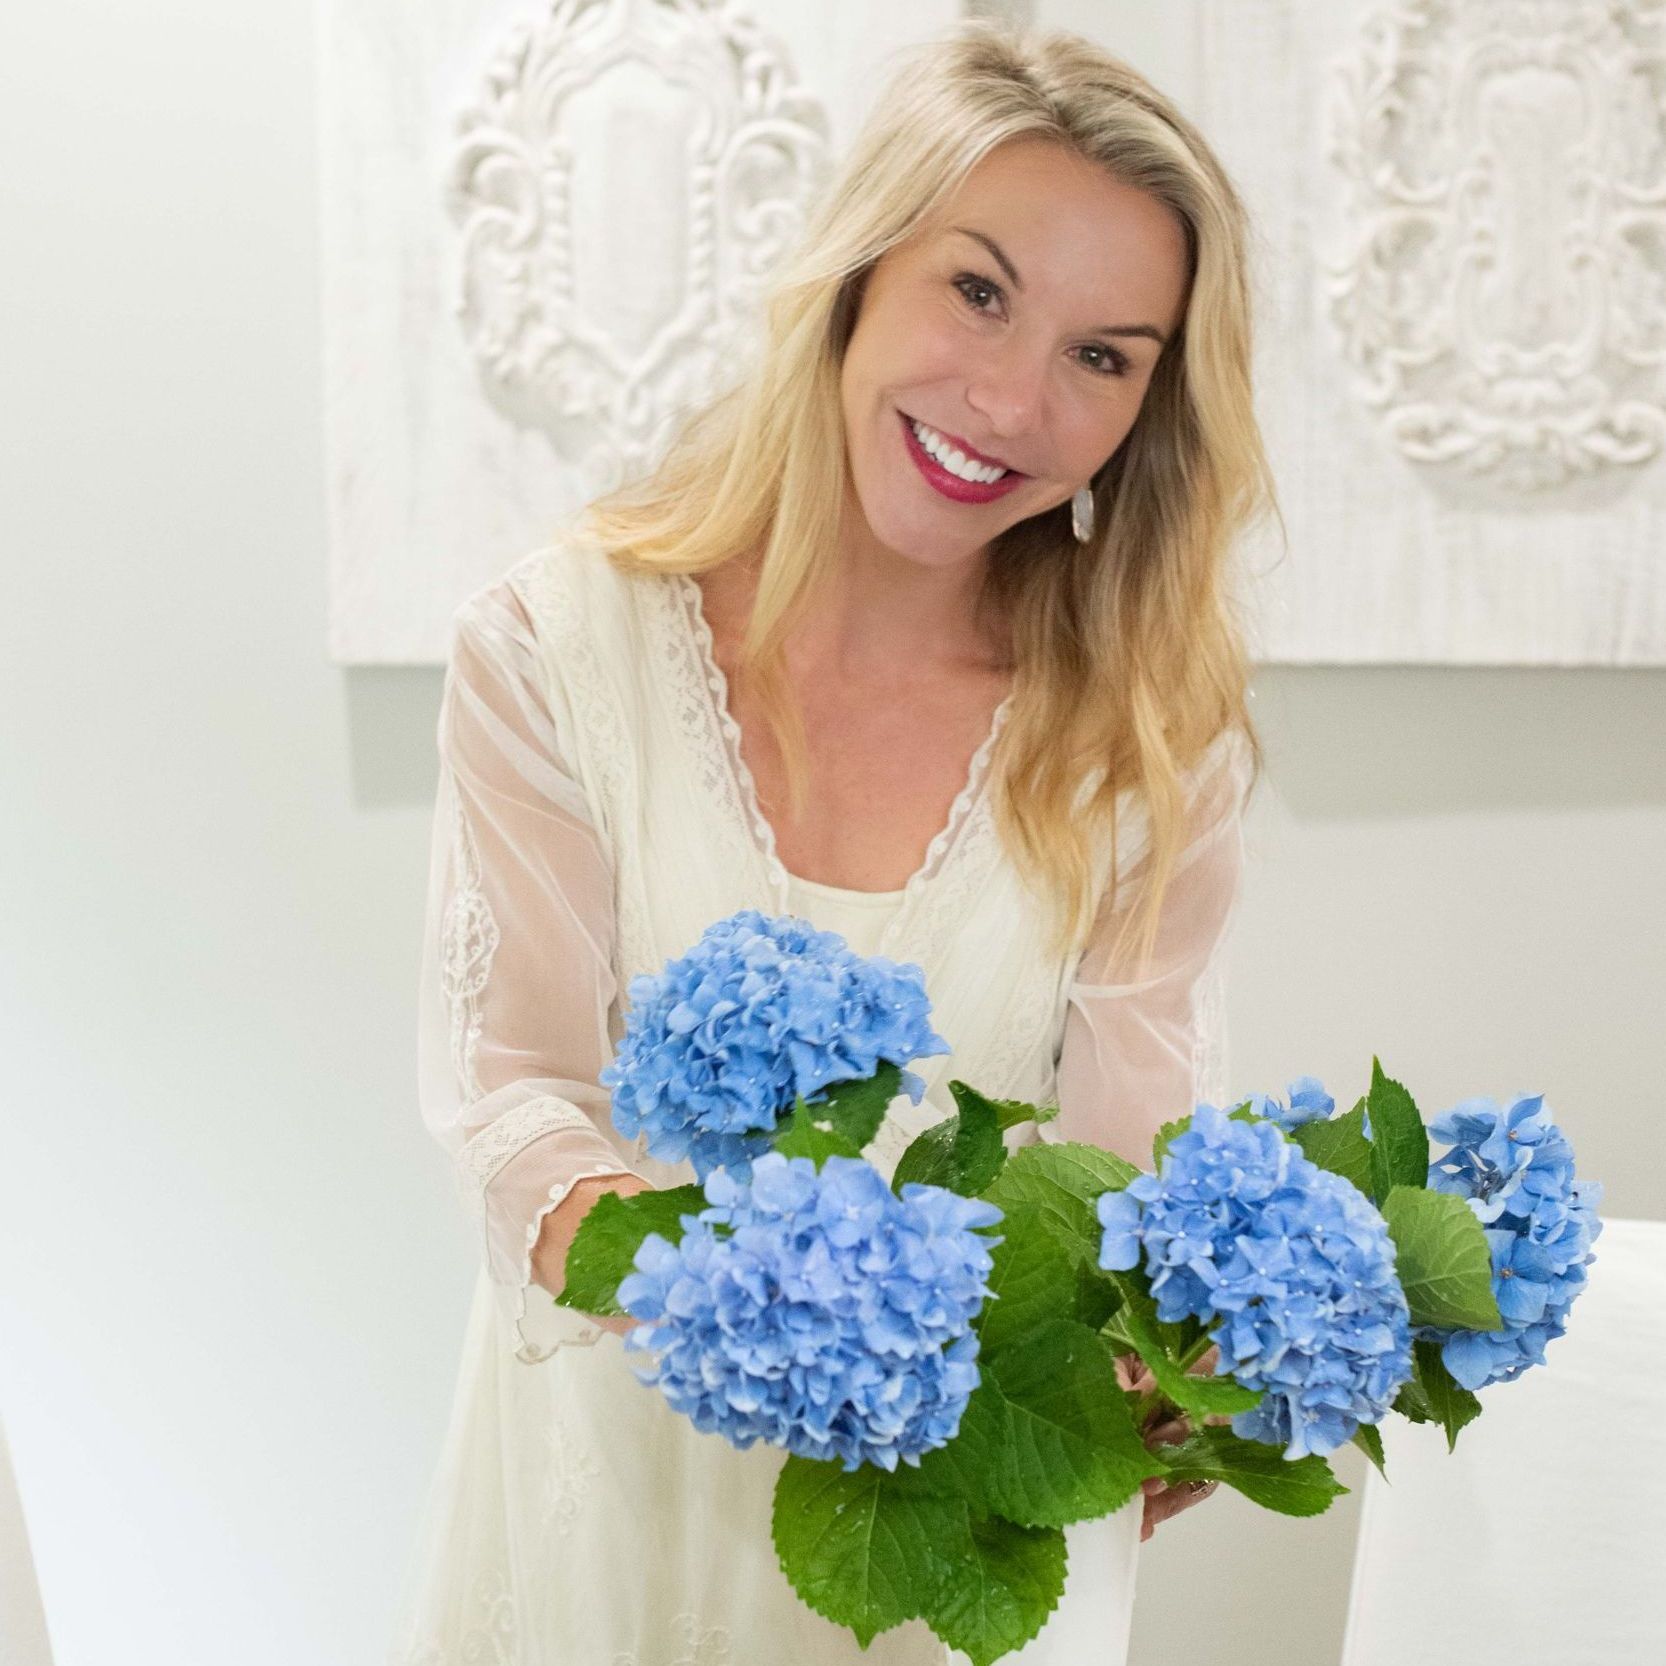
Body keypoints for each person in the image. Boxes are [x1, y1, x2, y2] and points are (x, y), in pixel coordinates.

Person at [388, 18, 1275, 1665]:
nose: (1009, 396)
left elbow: (1126, 1179)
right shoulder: (553, 649)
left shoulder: (1149, 742)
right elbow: (509, 1096)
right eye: (979, 289)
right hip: (617, 1512)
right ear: (861, 271)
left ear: (1151, 406)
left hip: (956, 1549)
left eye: (1104, 355)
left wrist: (1172, 1379)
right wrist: (754, 1313)